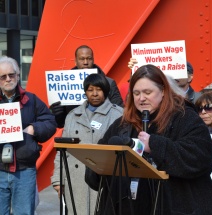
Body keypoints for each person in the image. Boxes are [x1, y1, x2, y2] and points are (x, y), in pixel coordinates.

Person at [85, 64, 212, 215]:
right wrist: (96, 165)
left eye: (147, 92)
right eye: (136, 93)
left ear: (163, 91)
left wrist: (154, 145)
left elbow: (200, 158)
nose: (141, 98)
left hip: (175, 207)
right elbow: (97, 171)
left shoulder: (186, 118)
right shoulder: (123, 124)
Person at [51, 73, 123, 214]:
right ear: (85, 92)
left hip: (103, 181)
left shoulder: (118, 114)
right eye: (90, 90)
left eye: (98, 89)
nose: (94, 94)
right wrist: (58, 180)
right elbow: (62, 150)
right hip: (75, 180)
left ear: (106, 91)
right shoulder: (72, 115)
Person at [0, 56, 57, 215]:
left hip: (24, 170)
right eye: (3, 76)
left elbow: (50, 121)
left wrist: (33, 128)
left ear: (18, 76)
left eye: (11, 75)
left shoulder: (31, 100)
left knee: (24, 212)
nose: (8, 79)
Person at [50, 45, 124, 128]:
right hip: (75, 135)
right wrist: (57, 115)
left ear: (93, 60)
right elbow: (60, 124)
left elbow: (120, 114)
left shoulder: (109, 83)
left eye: (89, 58)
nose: (85, 62)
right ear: (75, 61)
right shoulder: (63, 85)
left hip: (102, 133)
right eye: (82, 59)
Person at [128, 58, 201, 103]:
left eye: (179, 71)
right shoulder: (157, 99)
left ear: (190, 77)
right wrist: (136, 72)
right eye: (172, 70)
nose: (174, 76)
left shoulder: (199, 98)